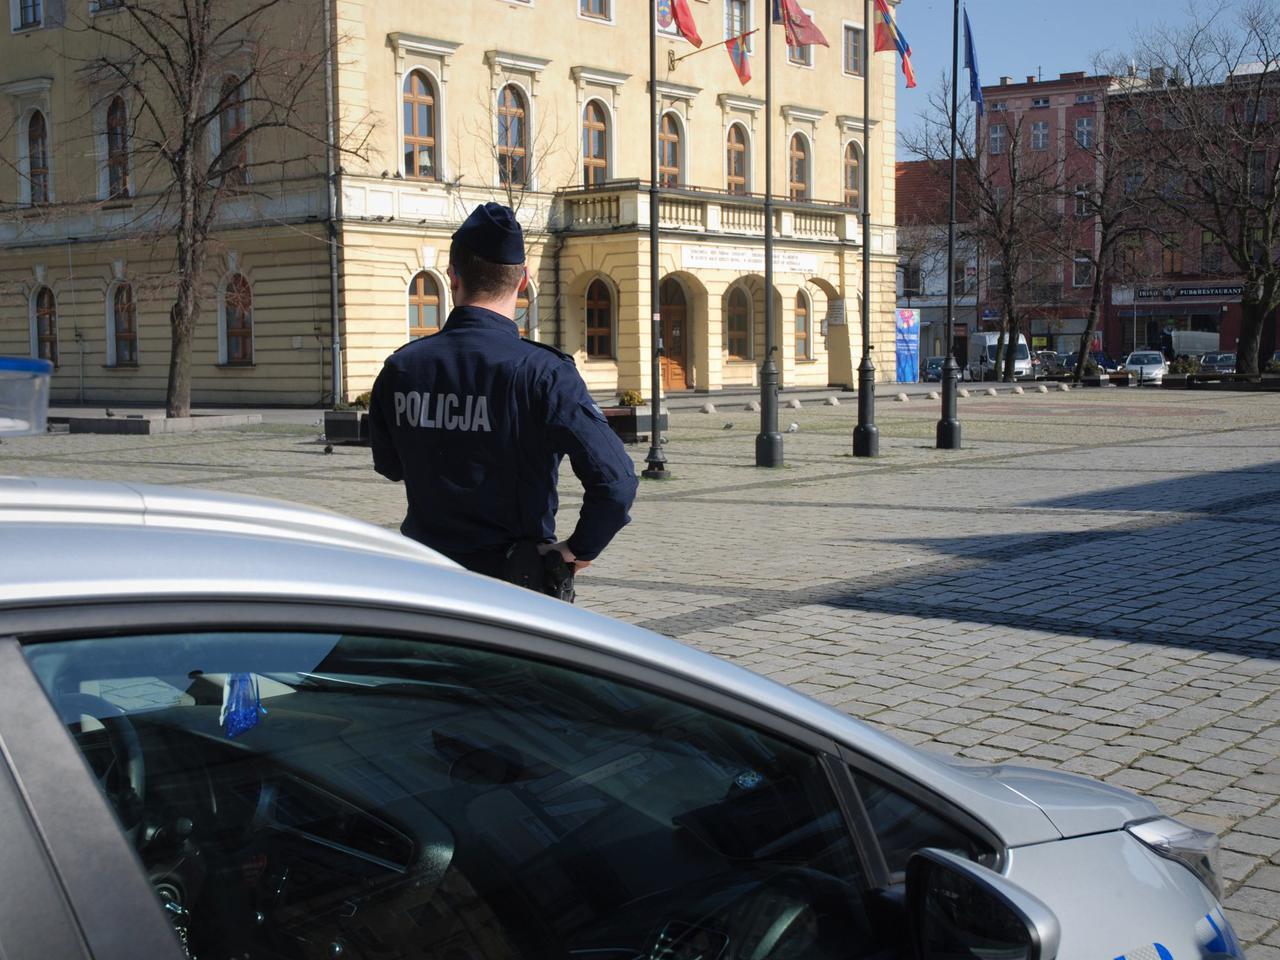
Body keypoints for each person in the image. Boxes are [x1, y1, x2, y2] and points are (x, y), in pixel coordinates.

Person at [368, 202, 638, 595]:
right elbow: (615, 483)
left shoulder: (403, 367)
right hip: (513, 588)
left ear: (452, 278)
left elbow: (390, 465)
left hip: (424, 583)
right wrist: (578, 550)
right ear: (524, 280)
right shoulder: (544, 373)